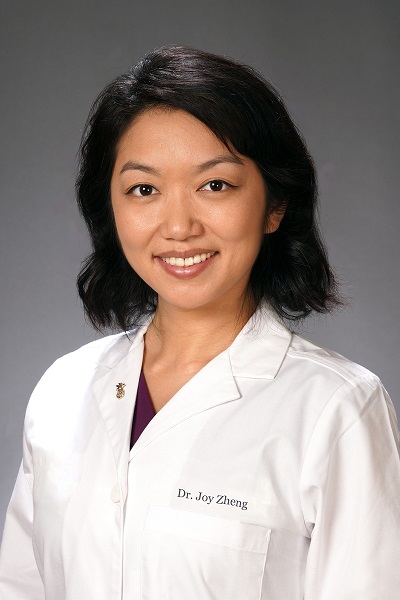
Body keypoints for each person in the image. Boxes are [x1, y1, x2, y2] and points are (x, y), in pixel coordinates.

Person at [0, 45, 399, 600]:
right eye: (144, 189)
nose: (178, 226)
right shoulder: (62, 391)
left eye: (215, 185)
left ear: (275, 205)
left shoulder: (336, 409)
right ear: (110, 208)